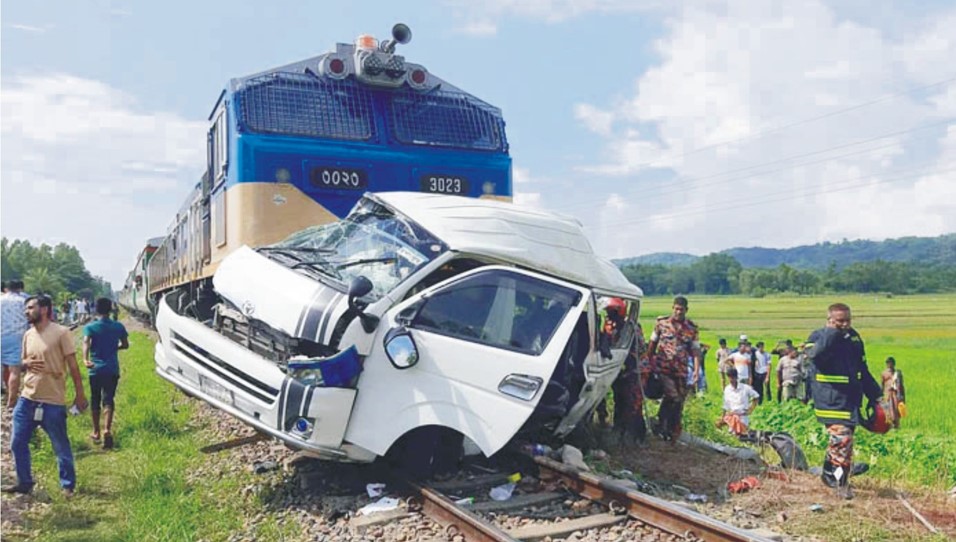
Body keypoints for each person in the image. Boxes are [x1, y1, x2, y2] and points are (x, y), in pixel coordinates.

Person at [3, 295, 89, 496]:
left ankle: (67, 485)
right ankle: (24, 482)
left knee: (60, 444)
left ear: (44, 309)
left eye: (30, 307)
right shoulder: (28, 335)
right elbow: (22, 363)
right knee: (17, 441)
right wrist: (25, 365)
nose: (26, 311)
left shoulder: (61, 333)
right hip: (28, 398)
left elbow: (73, 366)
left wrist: (80, 394)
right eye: (26, 308)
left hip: (52, 401)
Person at [805, 302, 881, 499]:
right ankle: (840, 482)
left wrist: (876, 395)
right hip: (830, 399)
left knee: (843, 443)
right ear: (830, 320)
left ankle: (829, 474)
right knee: (842, 440)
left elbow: (862, 370)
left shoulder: (854, 338)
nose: (845, 324)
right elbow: (815, 355)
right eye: (840, 321)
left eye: (848, 320)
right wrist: (832, 333)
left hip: (850, 400)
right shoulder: (818, 336)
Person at [647, 295, 701, 442]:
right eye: (676, 309)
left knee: (678, 402)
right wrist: (648, 362)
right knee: (673, 396)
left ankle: (670, 429)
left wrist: (696, 370)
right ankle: (660, 423)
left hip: (681, 370)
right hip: (663, 368)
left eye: (681, 310)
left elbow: (696, 351)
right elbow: (652, 344)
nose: (678, 312)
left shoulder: (691, 328)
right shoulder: (661, 324)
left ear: (686, 310)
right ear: (672, 308)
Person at [83, 298, 129, 449]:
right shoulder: (118, 326)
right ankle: (107, 429)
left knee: (95, 398)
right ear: (111, 310)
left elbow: (86, 343)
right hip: (111, 369)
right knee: (108, 399)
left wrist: (85, 359)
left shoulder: (90, 327)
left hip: (95, 369)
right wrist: (115, 348)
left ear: (96, 310)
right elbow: (125, 345)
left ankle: (96, 431)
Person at [2, 280, 31, 401]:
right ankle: (11, 401)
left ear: (6, 289)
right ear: (19, 289)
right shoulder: (24, 302)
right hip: (17, 337)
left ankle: (4, 393)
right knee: (14, 371)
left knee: (2, 367)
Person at [715, 367, 759, 436]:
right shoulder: (727, 389)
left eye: (733, 377)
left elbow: (756, 396)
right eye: (729, 377)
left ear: (736, 377)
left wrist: (751, 409)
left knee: (741, 435)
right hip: (732, 416)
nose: (731, 380)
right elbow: (725, 405)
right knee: (730, 434)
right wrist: (722, 417)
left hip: (743, 417)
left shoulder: (745, 388)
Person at [880, 357, 905, 429]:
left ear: (894, 364)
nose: (890, 365)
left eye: (891, 363)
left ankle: (896, 427)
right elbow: (882, 385)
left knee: (896, 412)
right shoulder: (884, 373)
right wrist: (880, 396)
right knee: (888, 412)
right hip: (887, 395)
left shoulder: (897, 373)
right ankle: (888, 427)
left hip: (896, 395)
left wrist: (902, 397)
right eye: (888, 363)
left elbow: (901, 386)